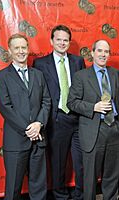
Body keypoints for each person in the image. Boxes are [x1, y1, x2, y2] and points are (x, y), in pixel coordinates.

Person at [0, 33, 51, 200]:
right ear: (10, 51)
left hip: (39, 139)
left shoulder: (38, 75)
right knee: (13, 189)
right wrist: (28, 129)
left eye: (24, 47)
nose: (21, 51)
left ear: (28, 49)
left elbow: (46, 101)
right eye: (16, 48)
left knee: (39, 187)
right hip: (16, 141)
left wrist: (39, 124)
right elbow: (6, 108)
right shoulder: (1, 77)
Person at [67, 40, 119, 199]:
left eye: (106, 51)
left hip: (114, 127)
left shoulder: (114, 74)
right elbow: (71, 102)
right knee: (90, 175)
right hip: (93, 129)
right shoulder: (81, 76)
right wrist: (94, 107)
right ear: (92, 53)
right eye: (99, 51)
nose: (103, 54)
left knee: (112, 172)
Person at [33, 25, 85, 199]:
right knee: (58, 163)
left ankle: (80, 195)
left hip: (78, 119)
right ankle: (60, 195)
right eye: (59, 39)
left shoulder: (78, 61)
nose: (62, 43)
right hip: (56, 119)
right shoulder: (40, 64)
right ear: (51, 41)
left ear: (69, 42)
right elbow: (38, 94)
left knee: (81, 162)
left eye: (65, 40)